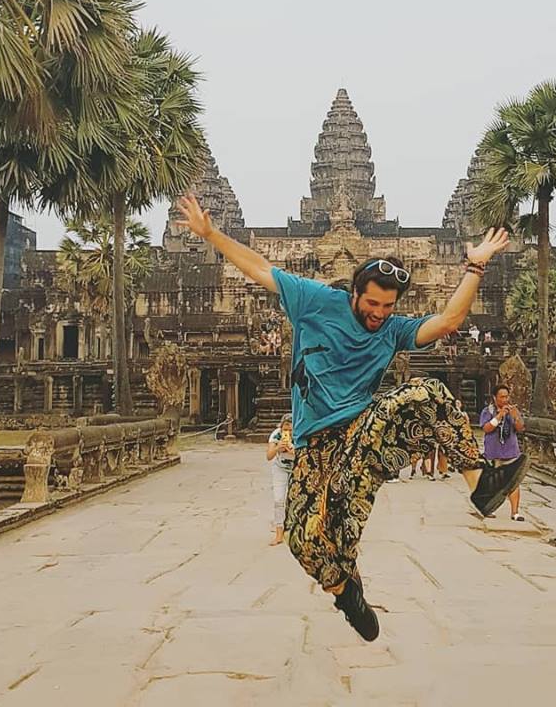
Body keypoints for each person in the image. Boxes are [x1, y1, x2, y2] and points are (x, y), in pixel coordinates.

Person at [175, 193, 525, 642]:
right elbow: (259, 268)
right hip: (313, 444)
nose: (378, 314)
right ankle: (346, 592)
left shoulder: (393, 329)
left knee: (428, 394)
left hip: (363, 430)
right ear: (355, 292)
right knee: (303, 540)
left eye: (387, 307)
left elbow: (448, 321)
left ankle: (482, 484)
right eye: (372, 303)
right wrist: (210, 233)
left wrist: (475, 265)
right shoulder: (315, 300)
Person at [480, 386, 526, 521]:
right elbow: (487, 428)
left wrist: (515, 417)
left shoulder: (513, 410)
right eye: (502, 397)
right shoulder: (488, 411)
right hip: (493, 451)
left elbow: (520, 428)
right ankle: (489, 508)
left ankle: (515, 512)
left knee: (514, 481)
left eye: (507, 396)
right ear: (495, 398)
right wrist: (499, 416)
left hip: (510, 450)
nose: (505, 399)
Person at [267, 413, 295, 545]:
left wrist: (293, 451)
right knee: (278, 500)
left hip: (297, 469)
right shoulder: (276, 435)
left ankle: (293, 530)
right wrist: (278, 448)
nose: (287, 432)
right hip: (280, 468)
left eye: (290, 430)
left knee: (295, 500)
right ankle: (279, 533)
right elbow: (269, 456)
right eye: (285, 429)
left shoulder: (300, 434)